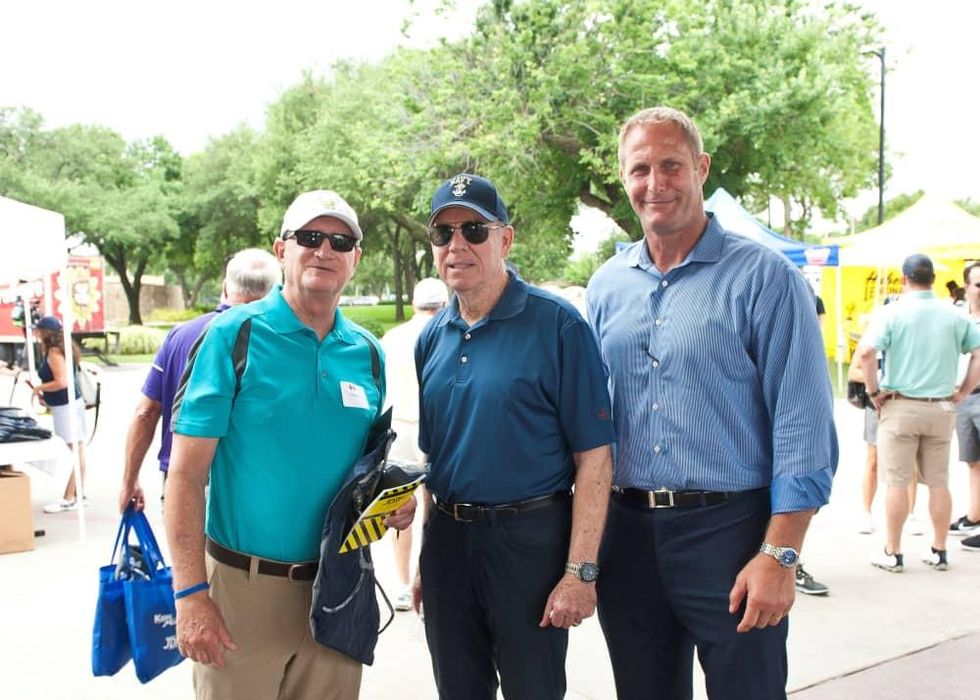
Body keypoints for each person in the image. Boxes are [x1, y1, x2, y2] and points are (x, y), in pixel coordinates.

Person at [586, 106, 837, 700]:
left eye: (671, 165)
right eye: (640, 169)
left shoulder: (765, 278)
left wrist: (781, 553)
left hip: (731, 532)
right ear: (624, 180)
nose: (656, 183)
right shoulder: (606, 285)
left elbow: (802, 424)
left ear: (700, 168)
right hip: (626, 535)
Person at [164, 190, 416, 700]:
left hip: (338, 588)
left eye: (340, 240)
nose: (325, 250)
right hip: (242, 593)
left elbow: (358, 471)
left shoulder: (366, 353)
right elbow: (185, 476)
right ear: (282, 250)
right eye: (310, 237)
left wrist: (391, 505)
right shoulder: (233, 336)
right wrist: (191, 594)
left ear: (356, 259)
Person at [414, 173, 615, 699]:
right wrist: (426, 560)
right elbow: (436, 459)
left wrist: (580, 572)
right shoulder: (431, 336)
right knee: (458, 688)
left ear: (505, 239)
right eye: (443, 234)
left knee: (535, 690)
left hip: (530, 543)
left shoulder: (559, 326)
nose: (457, 244)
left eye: (474, 230)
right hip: (449, 546)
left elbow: (595, 458)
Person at [117, 248, 281, 513]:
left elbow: (145, 412)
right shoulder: (279, 343)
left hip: (181, 481)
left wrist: (129, 480)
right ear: (276, 292)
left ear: (225, 287)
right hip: (245, 489)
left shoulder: (180, 335)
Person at [856, 254, 980, 573]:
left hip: (901, 404)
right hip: (941, 405)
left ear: (904, 278)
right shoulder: (953, 315)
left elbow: (868, 352)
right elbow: (978, 353)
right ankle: (939, 549)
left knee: (897, 480)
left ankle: (893, 552)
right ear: (934, 279)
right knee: (939, 481)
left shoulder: (892, 312)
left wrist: (873, 392)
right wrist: (964, 390)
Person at [379, 276, 449, 612]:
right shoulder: (443, 333)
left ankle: (403, 583)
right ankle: (427, 577)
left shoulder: (392, 337)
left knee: (399, 507)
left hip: (397, 428)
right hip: (431, 429)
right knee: (431, 508)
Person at [32, 316, 89, 513]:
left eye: (38, 330)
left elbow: (62, 381)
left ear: (45, 332)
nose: (36, 334)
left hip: (67, 407)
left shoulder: (54, 352)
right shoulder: (63, 348)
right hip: (70, 403)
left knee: (74, 450)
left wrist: (39, 387)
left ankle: (70, 496)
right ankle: (77, 494)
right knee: (78, 449)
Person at [950, 262, 980, 549]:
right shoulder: (958, 318)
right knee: (972, 460)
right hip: (963, 396)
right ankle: (974, 515)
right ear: (967, 287)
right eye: (978, 285)